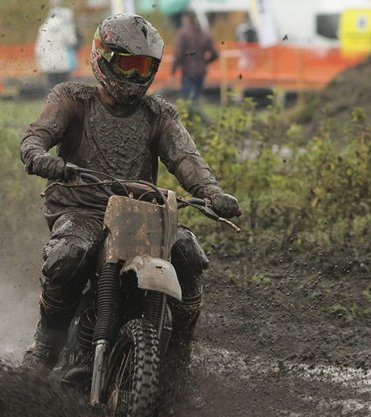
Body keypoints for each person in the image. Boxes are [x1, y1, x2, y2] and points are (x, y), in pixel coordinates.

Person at [20, 13, 242, 373]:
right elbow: (38, 134)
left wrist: (212, 191)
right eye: (129, 64)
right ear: (103, 57)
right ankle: (45, 345)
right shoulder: (72, 98)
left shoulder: (158, 113)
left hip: (141, 214)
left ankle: (178, 358)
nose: (137, 76)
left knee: (187, 252)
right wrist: (38, 156)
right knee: (71, 251)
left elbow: (185, 157)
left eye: (145, 67)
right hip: (82, 208)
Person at [170, 11, 219, 106]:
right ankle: (197, 119)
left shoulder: (183, 33)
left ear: (187, 19)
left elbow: (178, 54)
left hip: (188, 72)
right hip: (201, 72)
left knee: (189, 101)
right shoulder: (205, 34)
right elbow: (215, 54)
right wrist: (205, 62)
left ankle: (205, 120)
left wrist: (173, 71)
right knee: (196, 98)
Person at [35, 5, 79, 90]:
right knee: (65, 91)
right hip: (63, 63)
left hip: (48, 64)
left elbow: (39, 48)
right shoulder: (65, 27)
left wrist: (39, 64)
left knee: (51, 90)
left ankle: (51, 103)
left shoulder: (43, 28)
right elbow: (72, 41)